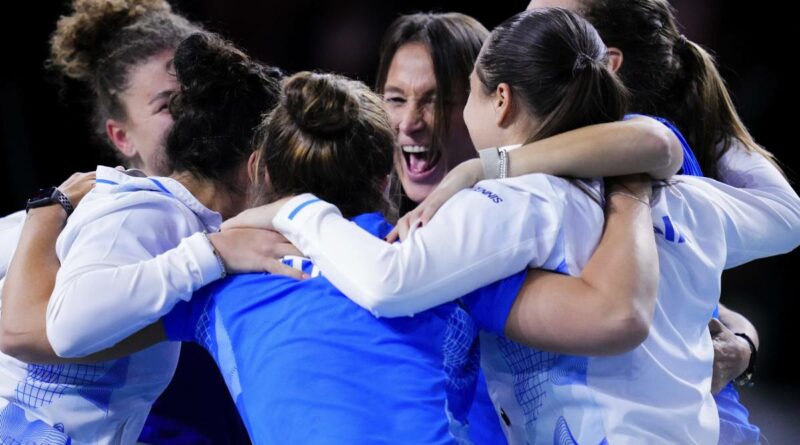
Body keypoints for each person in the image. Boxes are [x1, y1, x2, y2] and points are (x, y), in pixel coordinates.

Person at [224, 8, 800, 444]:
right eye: (394, 97)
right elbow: (778, 220)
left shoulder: (514, 203)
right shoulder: (681, 197)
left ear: (498, 99)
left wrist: (294, 210)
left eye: (450, 97)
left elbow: (389, 282)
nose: (412, 122)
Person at [0, 31, 286, 443]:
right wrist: (47, 210)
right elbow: (58, 330)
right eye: (167, 103)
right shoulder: (147, 212)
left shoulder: (183, 220)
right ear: (257, 165)